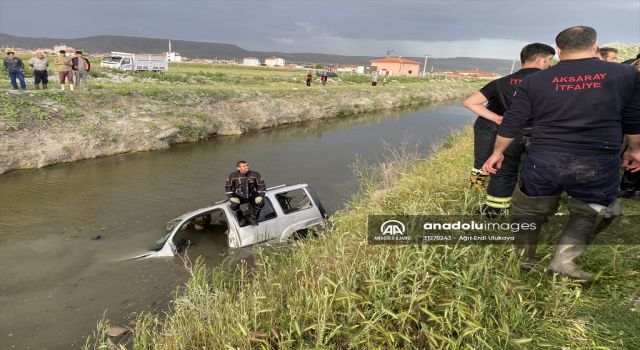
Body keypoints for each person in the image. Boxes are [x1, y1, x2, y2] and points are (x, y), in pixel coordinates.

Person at [483, 26, 640, 281]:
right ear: (595, 46)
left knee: (529, 210)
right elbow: (633, 118)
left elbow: (512, 121)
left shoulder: (534, 80)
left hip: (543, 159)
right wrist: (635, 150)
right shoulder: (625, 74)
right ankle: (564, 263)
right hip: (597, 159)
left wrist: (497, 153)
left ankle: (523, 261)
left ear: (558, 50)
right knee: (594, 209)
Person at [463, 43, 556, 216]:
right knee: (537, 172)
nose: (550, 65)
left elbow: (469, 102)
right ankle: (533, 210)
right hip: (541, 135)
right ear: (541, 60)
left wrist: (499, 119)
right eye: (549, 60)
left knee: (502, 169)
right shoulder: (553, 82)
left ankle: (493, 209)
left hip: (509, 133)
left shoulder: (501, 82)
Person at [225, 161, 266, 226]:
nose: (247, 167)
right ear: (238, 168)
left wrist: (260, 196)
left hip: (252, 195)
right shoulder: (232, 175)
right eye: (244, 166)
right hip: (239, 196)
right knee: (234, 205)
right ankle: (241, 218)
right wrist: (231, 197)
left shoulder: (255, 174)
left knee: (261, 202)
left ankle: (253, 217)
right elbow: (228, 187)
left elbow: (262, 186)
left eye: (247, 165)